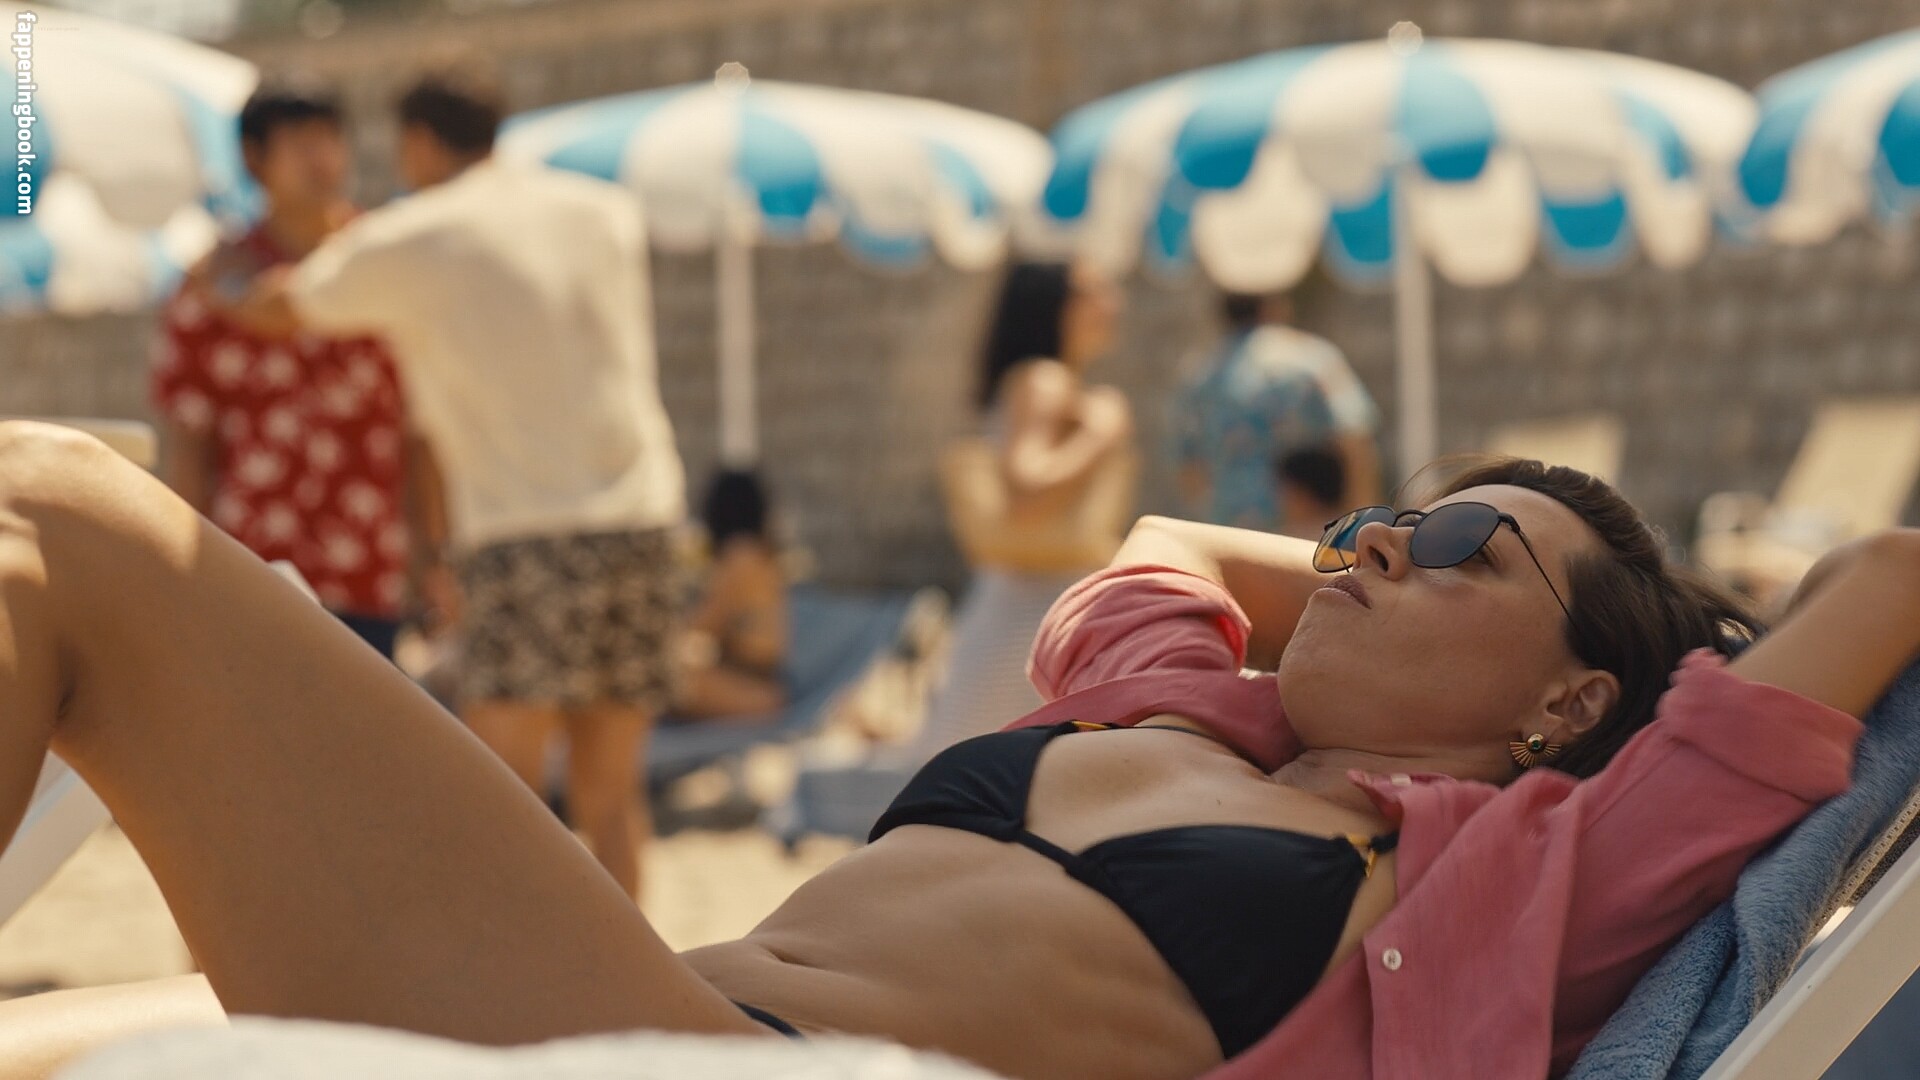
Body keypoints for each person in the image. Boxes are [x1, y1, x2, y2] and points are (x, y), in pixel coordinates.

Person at [1, 427, 1916, 1080]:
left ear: (1571, 703)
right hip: (626, 1012)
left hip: (740, 1068)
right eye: (1368, 523)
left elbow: (1885, 582)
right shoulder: (1168, 705)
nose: (1372, 549)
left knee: (64, 521)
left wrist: (1639, 643)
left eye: (1462, 547)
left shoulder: (1521, 870)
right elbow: (1161, 548)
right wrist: (1376, 561)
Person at [218, 57, 686, 902]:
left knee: (506, 804)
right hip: (643, 520)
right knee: (613, 796)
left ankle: (520, 976)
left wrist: (221, 277)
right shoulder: (602, 213)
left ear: (422, 142)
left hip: (523, 534)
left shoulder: (416, 234)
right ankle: (639, 977)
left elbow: (279, 306)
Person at [151, 80, 423, 660]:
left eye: (329, 138)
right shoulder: (207, 285)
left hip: (372, 570)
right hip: (253, 570)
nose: (321, 158)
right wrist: (182, 573)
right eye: (300, 142)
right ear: (255, 159)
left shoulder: (389, 267)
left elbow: (422, 432)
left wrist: (434, 557)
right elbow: (192, 442)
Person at [919, 261, 1133, 756]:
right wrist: (1101, 434)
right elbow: (1027, 494)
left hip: (1026, 613)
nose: (1112, 302)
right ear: (1055, 304)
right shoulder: (1045, 380)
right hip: (1032, 620)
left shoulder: (1043, 381)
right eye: (1093, 290)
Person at [1173, 289, 1382, 533]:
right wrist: (1359, 524)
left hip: (1228, 533)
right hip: (1303, 531)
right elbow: (1354, 439)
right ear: (1274, 305)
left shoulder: (1198, 376)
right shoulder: (1313, 360)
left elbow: (1189, 471)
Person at [672, 469, 787, 720]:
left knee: (661, 677)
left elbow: (704, 624)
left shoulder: (740, 555)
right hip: (754, 686)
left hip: (754, 691)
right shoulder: (756, 553)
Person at [1274, 444, 1348, 542]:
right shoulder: (1349, 532)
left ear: (1303, 494)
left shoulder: (1296, 540)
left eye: (1287, 489)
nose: (1281, 498)